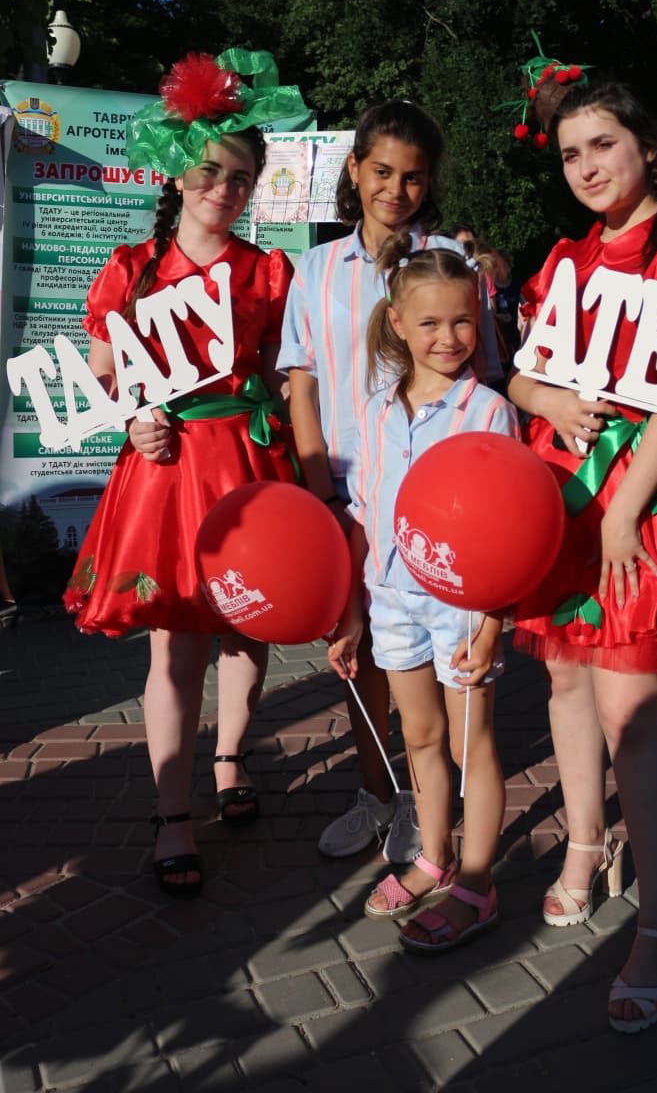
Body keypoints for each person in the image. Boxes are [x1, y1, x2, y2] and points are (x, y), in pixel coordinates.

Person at [506, 59, 657, 1032]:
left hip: (639, 505)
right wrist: (548, 398)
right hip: (563, 500)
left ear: (646, 145)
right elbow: (521, 375)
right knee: (565, 680)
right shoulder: (562, 263)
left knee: (633, 707)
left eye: (601, 143)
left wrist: (620, 510)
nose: (585, 165)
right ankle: (582, 844)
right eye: (569, 152)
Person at [63, 50, 307, 897]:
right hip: (164, 470)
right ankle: (172, 813)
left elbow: (282, 373)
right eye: (209, 172)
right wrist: (133, 413)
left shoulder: (268, 271)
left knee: (246, 622)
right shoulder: (131, 269)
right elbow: (99, 372)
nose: (224, 190)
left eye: (240, 178)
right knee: (175, 641)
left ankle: (232, 759)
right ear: (177, 174)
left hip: (244, 459)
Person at [278, 99, 499, 863]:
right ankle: (380, 794)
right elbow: (300, 383)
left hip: (437, 498)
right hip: (347, 488)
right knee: (358, 649)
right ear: (354, 170)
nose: (395, 190)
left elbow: (485, 373)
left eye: (411, 177)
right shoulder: (314, 268)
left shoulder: (446, 262)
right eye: (380, 172)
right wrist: (322, 493)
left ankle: (438, 807)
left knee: (433, 658)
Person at [327, 236, 520, 952]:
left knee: (473, 745)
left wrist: (494, 621)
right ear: (397, 322)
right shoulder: (374, 414)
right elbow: (361, 515)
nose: (448, 337)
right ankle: (433, 856)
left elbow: (512, 530)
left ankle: (477, 880)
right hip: (391, 600)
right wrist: (350, 613)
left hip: (465, 605)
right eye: (431, 322)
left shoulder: (489, 413)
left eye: (463, 321)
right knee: (419, 737)